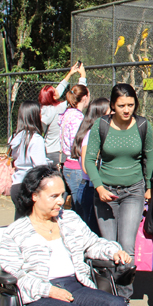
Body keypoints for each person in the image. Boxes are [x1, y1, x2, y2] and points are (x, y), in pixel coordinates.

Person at [0, 165, 139, 306]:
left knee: (117, 305)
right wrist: (48, 291)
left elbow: (92, 244)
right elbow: (16, 275)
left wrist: (113, 251)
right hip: (37, 297)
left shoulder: (69, 219)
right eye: (53, 196)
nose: (60, 201)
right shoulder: (14, 233)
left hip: (74, 285)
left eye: (62, 195)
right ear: (35, 196)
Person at [85, 84, 153, 306]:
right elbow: (89, 159)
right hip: (105, 193)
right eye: (122, 105)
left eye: (131, 105)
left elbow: (149, 157)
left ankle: (124, 300)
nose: (127, 110)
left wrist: (148, 186)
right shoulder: (101, 125)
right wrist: (99, 187)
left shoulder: (143, 125)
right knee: (108, 247)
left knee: (126, 246)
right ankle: (107, 299)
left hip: (133, 192)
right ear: (112, 106)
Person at [73, 97, 111, 231]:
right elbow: (86, 166)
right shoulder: (91, 135)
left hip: (93, 188)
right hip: (90, 189)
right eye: (110, 112)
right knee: (92, 233)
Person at [40, 63, 87, 166]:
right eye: (55, 90)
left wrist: (70, 74)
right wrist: (82, 76)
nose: (58, 90)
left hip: (47, 150)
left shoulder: (43, 110)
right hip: (59, 152)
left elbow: (59, 90)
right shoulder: (60, 108)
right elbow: (77, 96)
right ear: (53, 96)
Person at [10, 101, 50, 218]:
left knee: (20, 221)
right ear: (34, 116)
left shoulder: (15, 137)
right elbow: (41, 167)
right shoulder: (36, 139)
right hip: (29, 187)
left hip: (16, 184)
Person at [60, 84, 91, 216]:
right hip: (76, 166)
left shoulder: (67, 113)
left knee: (74, 206)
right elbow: (77, 143)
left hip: (67, 164)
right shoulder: (77, 118)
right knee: (80, 209)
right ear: (84, 98)